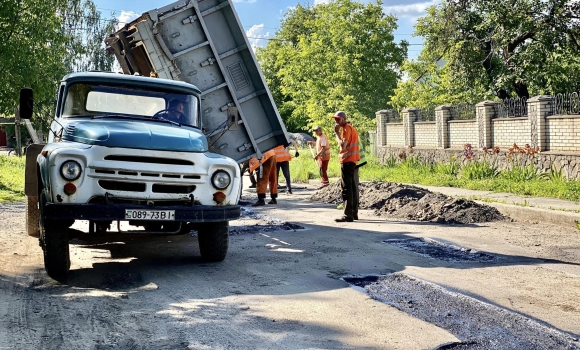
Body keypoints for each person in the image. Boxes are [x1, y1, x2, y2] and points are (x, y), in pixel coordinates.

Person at [332, 111, 360, 222]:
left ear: (343, 119)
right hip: (352, 161)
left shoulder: (345, 129)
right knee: (352, 187)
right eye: (335, 119)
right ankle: (353, 213)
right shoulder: (351, 128)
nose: (336, 121)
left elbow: (343, 145)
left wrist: (336, 133)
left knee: (347, 188)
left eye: (338, 119)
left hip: (347, 160)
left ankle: (348, 215)